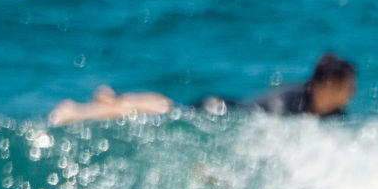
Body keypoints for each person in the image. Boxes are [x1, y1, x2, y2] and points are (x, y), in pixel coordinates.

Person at [49, 54, 357, 126]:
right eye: (347, 87)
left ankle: (110, 99)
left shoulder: (332, 112)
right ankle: (80, 110)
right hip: (218, 111)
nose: (351, 94)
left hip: (227, 107)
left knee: (167, 105)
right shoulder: (285, 104)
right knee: (164, 109)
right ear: (327, 85)